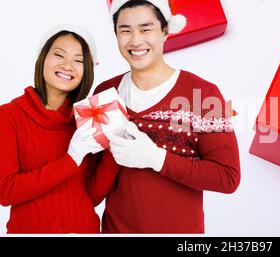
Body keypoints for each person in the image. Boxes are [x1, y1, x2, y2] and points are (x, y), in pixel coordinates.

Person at [95, 0, 241, 233]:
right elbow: (91, 190)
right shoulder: (105, 93)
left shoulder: (203, 95)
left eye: (146, 29)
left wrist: (157, 159)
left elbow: (227, 177)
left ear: (165, 31)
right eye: (125, 30)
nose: (135, 40)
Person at [0, 25, 119, 234]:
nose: (68, 65)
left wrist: (113, 151)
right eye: (59, 55)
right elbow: (6, 191)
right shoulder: (9, 116)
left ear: (87, 70)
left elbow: (91, 195)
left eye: (79, 60)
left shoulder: (86, 118)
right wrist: (70, 160)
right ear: (42, 58)